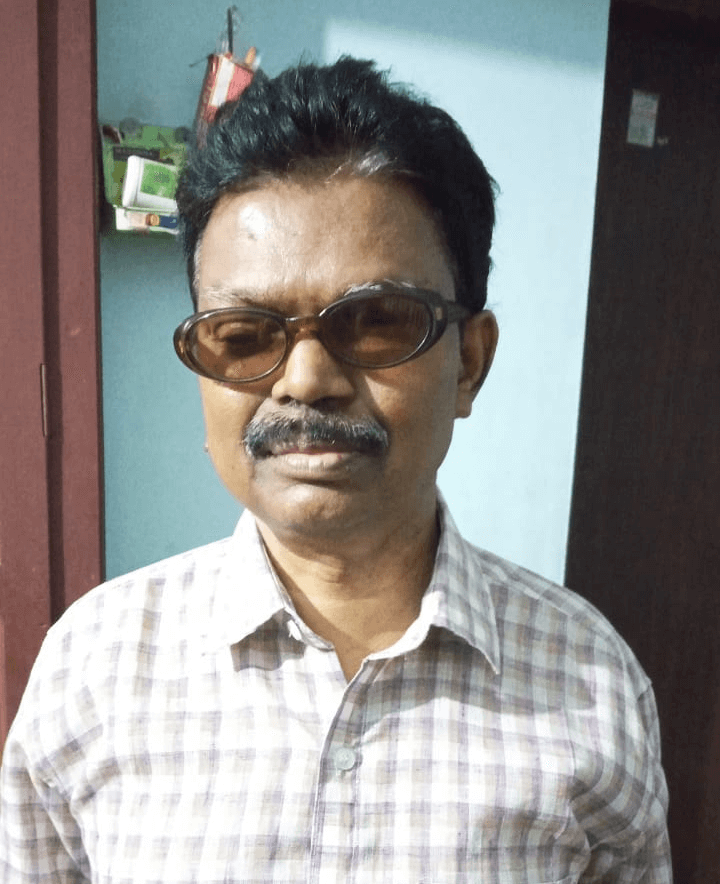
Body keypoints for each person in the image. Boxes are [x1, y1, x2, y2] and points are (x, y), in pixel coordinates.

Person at [1, 57, 671, 882]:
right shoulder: (92, 668)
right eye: (243, 334)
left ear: (468, 363)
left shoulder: (591, 684)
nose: (306, 379)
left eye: (378, 321)